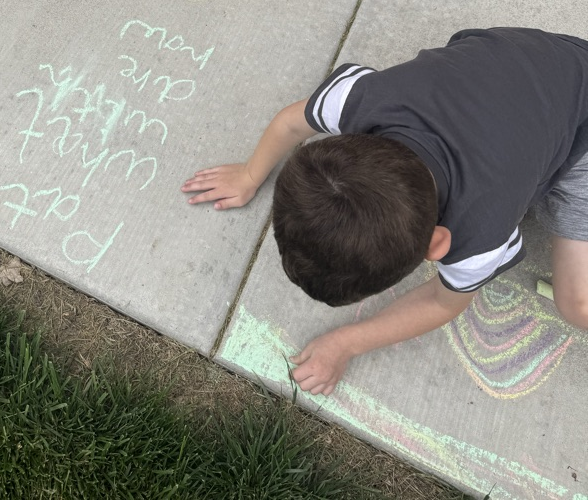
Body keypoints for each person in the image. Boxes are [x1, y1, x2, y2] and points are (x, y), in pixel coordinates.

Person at [181, 27, 588, 396]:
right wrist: (250, 174)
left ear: (438, 243)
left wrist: (347, 343)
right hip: (514, 57)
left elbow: (443, 303)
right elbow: (292, 122)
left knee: (578, 305)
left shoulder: (481, 228)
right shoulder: (364, 98)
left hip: (579, 122)